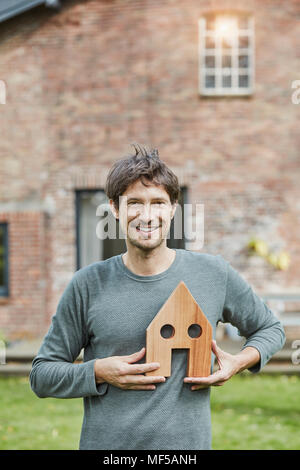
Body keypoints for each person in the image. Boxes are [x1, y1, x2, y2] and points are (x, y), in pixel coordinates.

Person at [30, 144, 285, 450]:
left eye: (158, 203)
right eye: (134, 202)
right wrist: (98, 371)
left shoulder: (213, 273)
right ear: (114, 208)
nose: (147, 215)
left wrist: (239, 362)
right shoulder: (87, 284)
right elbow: (42, 374)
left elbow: (270, 329)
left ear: (173, 209)